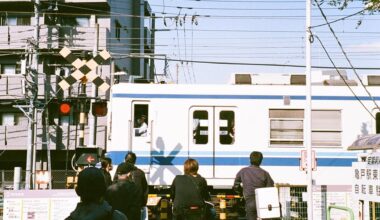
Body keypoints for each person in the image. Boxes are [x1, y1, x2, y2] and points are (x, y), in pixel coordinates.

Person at [233, 151, 274, 220]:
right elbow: (270, 188)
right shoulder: (265, 173)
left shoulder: (243, 171)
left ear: (250, 159)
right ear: (261, 161)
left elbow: (236, 185)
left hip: (249, 201)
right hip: (262, 202)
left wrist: (240, 193)